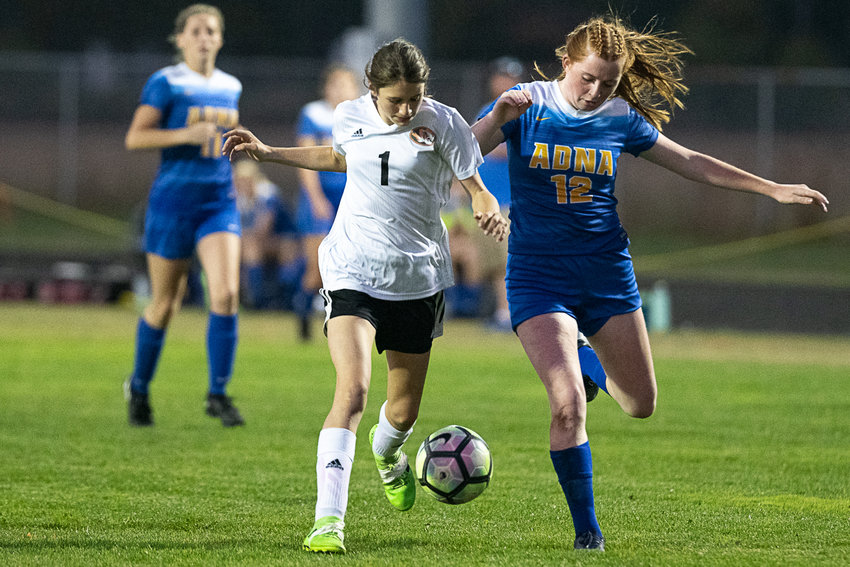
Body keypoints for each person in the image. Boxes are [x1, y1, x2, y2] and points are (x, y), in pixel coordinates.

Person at [472, 15, 829, 551]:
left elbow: (689, 161)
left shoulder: (619, 117)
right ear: (566, 62)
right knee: (567, 403)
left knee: (640, 403)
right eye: (587, 78)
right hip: (538, 276)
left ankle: (588, 359)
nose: (595, 91)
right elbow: (461, 154)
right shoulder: (526, 103)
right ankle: (587, 533)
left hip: (606, 273)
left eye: (608, 83)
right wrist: (496, 118)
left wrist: (771, 189)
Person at [222, 38, 507, 554]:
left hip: (417, 280)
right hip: (352, 269)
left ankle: (390, 454)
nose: (404, 110)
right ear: (371, 90)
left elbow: (475, 183)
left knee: (402, 413)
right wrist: (268, 152)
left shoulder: (445, 123)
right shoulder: (349, 113)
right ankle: (328, 522)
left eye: (414, 99)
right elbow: (337, 156)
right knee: (352, 392)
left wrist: (487, 205)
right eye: (395, 100)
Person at [123, 4, 245, 427]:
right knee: (165, 304)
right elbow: (135, 137)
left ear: (220, 38)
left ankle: (218, 392)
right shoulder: (166, 82)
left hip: (219, 202)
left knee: (226, 294)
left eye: (211, 30)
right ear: (180, 39)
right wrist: (183, 134)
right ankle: (138, 387)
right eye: (195, 30)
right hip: (173, 204)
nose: (204, 37)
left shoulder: (231, 85)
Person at [293, 64, 360, 340]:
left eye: (346, 85)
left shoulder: (361, 116)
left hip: (350, 198)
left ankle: (340, 319)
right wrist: (316, 197)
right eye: (336, 85)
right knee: (318, 266)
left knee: (349, 264)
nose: (340, 90)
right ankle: (303, 311)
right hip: (320, 197)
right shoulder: (313, 113)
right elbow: (306, 158)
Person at [233, 160, 301, 310]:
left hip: (284, 240)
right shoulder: (238, 198)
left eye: (246, 180)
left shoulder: (267, 193)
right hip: (257, 242)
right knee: (248, 247)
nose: (243, 185)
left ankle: (277, 300)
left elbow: (263, 229)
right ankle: (251, 299)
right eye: (239, 181)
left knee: (253, 248)